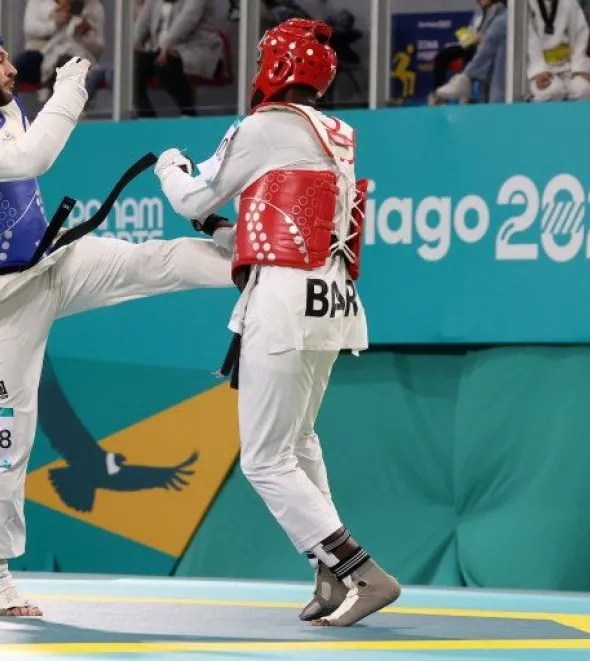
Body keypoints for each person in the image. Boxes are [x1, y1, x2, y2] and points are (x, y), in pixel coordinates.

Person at [0, 17, 234, 617]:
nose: (11, 69)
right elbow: (35, 156)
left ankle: (253, 264)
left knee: (152, 261)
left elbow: (28, 144)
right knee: (11, 434)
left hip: (54, 264)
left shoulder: (5, 114)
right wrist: (73, 85)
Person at [153, 18, 401, 627]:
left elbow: (192, 197)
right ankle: (328, 571)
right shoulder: (338, 133)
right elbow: (282, 231)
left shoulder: (264, 128)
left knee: (265, 460)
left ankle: (360, 570)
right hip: (332, 300)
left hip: (285, 303)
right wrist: (221, 234)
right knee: (299, 441)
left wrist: (169, 167)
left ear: (273, 68)